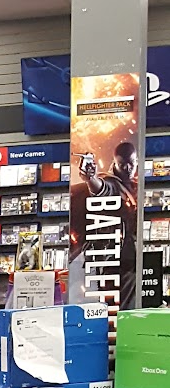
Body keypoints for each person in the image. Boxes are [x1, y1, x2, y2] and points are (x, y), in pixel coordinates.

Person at [78, 130, 139, 304]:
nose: (127, 168)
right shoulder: (112, 182)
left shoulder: (134, 184)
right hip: (113, 259)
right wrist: (90, 178)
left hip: (129, 256)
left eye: (131, 163)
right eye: (122, 164)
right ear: (115, 163)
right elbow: (102, 189)